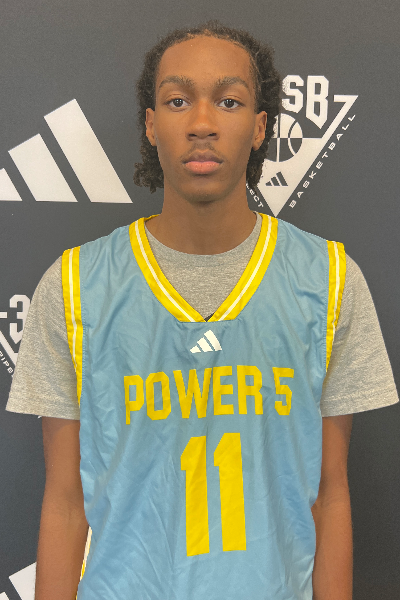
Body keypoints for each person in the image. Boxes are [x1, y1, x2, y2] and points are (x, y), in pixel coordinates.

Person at [6, 21, 399, 600]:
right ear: (150, 124)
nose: (202, 122)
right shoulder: (74, 286)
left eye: (230, 100)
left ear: (260, 127)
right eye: (178, 100)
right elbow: (66, 504)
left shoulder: (330, 280)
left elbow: (330, 495)